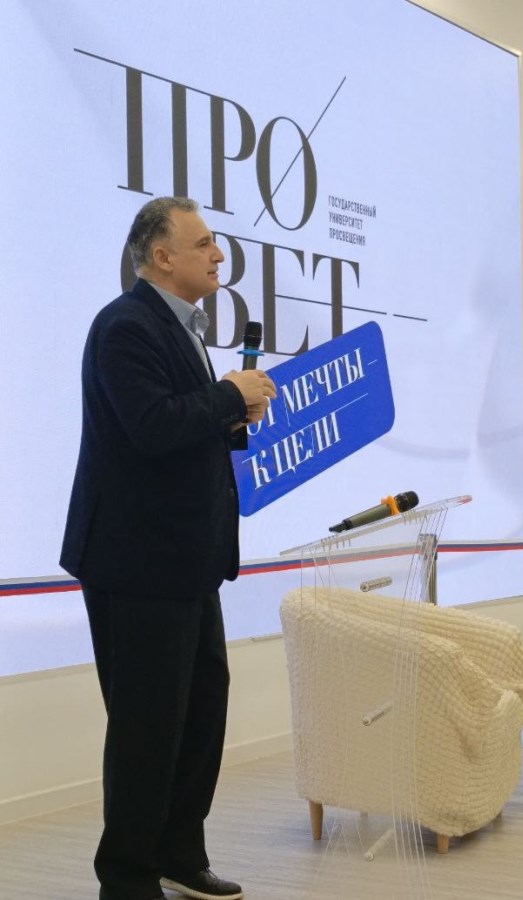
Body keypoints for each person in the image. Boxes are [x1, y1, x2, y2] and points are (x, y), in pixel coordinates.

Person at [60, 196, 276, 900]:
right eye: (204, 242)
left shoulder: (183, 328)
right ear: (161, 255)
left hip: (186, 563)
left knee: (200, 715)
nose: (218, 254)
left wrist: (232, 413)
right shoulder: (125, 326)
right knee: (147, 729)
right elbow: (151, 426)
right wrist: (229, 395)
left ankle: (181, 854)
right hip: (136, 563)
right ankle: (126, 879)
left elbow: (179, 432)